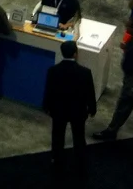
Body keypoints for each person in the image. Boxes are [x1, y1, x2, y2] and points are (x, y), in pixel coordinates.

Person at [43, 41, 96, 175]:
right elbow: (90, 92)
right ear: (75, 54)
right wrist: (92, 108)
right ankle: (80, 160)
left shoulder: (53, 71)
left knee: (57, 135)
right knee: (79, 136)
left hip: (59, 110)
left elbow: (49, 91)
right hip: (78, 111)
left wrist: (46, 106)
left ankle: (56, 158)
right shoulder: (85, 72)